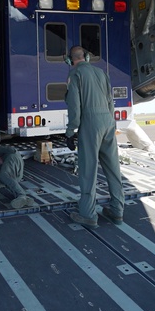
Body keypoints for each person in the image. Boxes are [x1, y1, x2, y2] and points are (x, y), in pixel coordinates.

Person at [64, 45, 125, 227]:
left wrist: (70, 132)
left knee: (88, 170)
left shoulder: (75, 75)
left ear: (70, 59)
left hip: (91, 123)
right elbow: (110, 101)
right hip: (108, 121)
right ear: (87, 57)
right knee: (113, 168)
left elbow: (75, 106)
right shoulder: (101, 73)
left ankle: (88, 214)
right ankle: (117, 211)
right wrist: (112, 124)